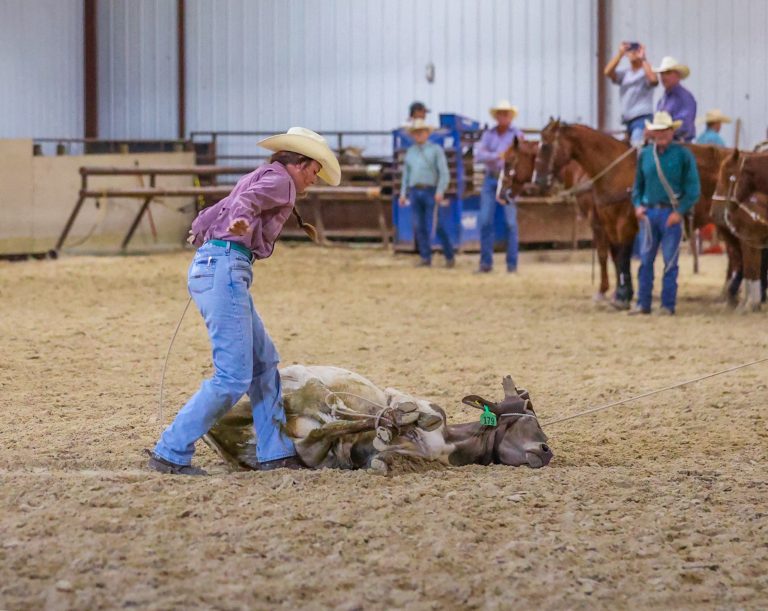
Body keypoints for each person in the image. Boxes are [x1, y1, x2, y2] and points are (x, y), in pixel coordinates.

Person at [147, 127, 341, 474]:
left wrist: (204, 227)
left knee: (263, 363)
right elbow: (243, 204)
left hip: (220, 265)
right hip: (227, 267)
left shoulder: (263, 175)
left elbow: (223, 205)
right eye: (315, 171)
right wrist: (238, 221)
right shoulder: (281, 181)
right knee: (234, 376)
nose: (315, 179)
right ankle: (171, 450)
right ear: (301, 162)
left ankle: (275, 452)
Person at [630, 112, 700, 316]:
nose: (661, 134)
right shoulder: (645, 155)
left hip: (670, 213)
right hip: (649, 213)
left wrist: (680, 212)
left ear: (672, 132)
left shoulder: (683, 155)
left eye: (664, 130)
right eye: (657, 131)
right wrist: (637, 205)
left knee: (670, 261)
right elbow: (637, 186)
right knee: (645, 261)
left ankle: (667, 305)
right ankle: (643, 303)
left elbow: (693, 189)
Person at [474, 100, 524, 273]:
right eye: (500, 113)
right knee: (485, 220)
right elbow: (478, 155)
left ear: (510, 117)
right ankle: (486, 263)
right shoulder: (489, 134)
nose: (503, 117)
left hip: (508, 179)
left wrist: (494, 156)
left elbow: (518, 157)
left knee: (510, 222)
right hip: (491, 178)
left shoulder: (517, 135)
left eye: (506, 114)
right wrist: (498, 156)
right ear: (496, 116)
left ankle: (512, 265)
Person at [398, 119, 453, 267]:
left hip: (431, 191)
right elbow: (406, 175)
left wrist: (440, 190)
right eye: (416, 132)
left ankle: (449, 255)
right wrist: (403, 193)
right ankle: (425, 257)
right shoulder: (410, 152)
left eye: (421, 132)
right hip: (415, 191)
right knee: (419, 225)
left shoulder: (436, 150)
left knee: (437, 225)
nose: (419, 135)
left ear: (427, 133)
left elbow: (444, 173)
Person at [604, 41, 658, 146]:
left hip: (642, 117)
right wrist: (620, 54)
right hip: (628, 119)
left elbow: (653, 80)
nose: (633, 53)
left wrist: (643, 58)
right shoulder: (625, 73)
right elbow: (607, 72)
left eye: (636, 50)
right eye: (630, 51)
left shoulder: (646, 71)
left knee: (637, 146)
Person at [654, 56, 697, 142]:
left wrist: (661, 132)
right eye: (662, 73)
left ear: (678, 75)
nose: (663, 77)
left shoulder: (685, 97)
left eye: (668, 73)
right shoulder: (662, 99)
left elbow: (685, 126)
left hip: (679, 144)